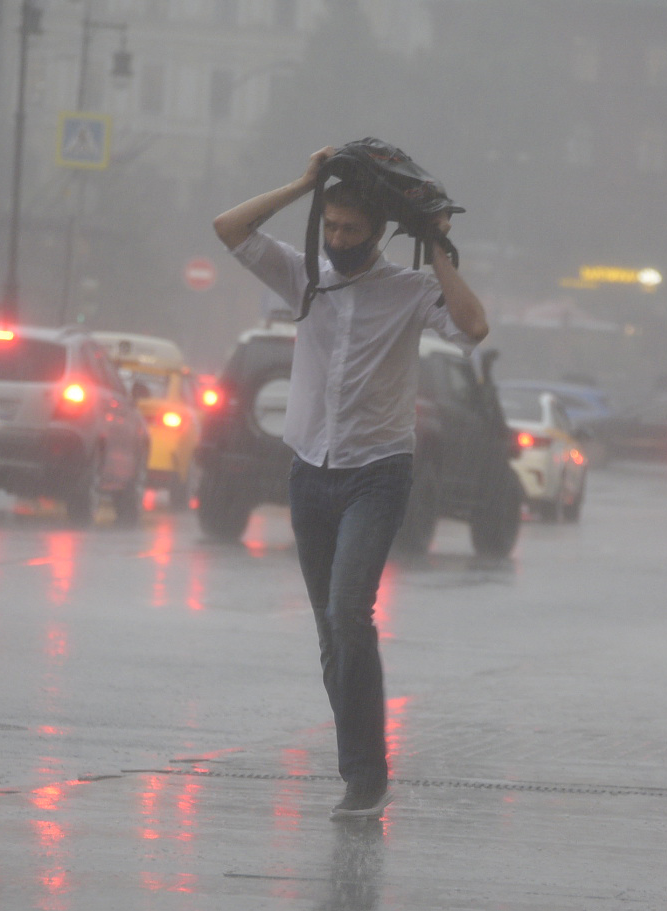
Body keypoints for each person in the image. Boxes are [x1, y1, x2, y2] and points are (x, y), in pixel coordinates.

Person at [213, 146, 489, 818]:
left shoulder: (410, 288)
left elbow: (474, 327)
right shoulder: (303, 274)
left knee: (348, 613)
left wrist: (439, 248)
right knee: (330, 632)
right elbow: (228, 228)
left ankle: (366, 773)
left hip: (377, 474)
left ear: (376, 231)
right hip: (310, 472)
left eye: (351, 230)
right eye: (330, 227)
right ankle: (361, 763)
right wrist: (304, 183)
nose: (338, 241)